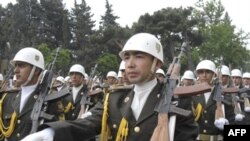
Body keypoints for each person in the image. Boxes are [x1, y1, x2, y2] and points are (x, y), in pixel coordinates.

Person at [21, 33, 198, 141]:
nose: (130, 64)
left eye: (139, 56)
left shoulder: (177, 102)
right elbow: (87, 124)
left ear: (157, 63)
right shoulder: (114, 99)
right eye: (126, 57)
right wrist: (51, 133)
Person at [0, 47, 63, 141]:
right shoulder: (7, 97)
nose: (15, 70)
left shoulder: (50, 100)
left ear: (36, 70)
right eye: (15, 66)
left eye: (21, 66)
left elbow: (58, 133)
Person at [192, 60, 235, 141]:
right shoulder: (192, 96)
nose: (204, 75)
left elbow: (232, 120)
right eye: (201, 72)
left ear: (214, 74)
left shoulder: (224, 96)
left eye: (208, 72)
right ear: (198, 74)